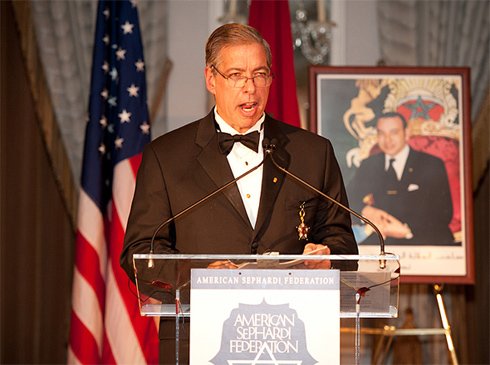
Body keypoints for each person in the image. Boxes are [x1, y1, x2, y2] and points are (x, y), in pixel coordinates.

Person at [120, 23, 358, 364]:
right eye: (236, 74)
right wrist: (198, 278)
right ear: (210, 79)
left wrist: (328, 256)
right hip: (199, 339)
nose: (250, 87)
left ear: (271, 79)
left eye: (259, 73)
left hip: (293, 339)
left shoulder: (312, 152)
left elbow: (342, 240)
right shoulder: (166, 157)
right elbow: (139, 252)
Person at [348, 112, 454, 245]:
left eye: (394, 133)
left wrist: (407, 230)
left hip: (424, 240)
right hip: (382, 242)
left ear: (406, 133)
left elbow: (444, 213)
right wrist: (366, 211)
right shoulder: (369, 165)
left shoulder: (431, 164)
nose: (388, 140)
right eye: (382, 133)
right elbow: (347, 199)